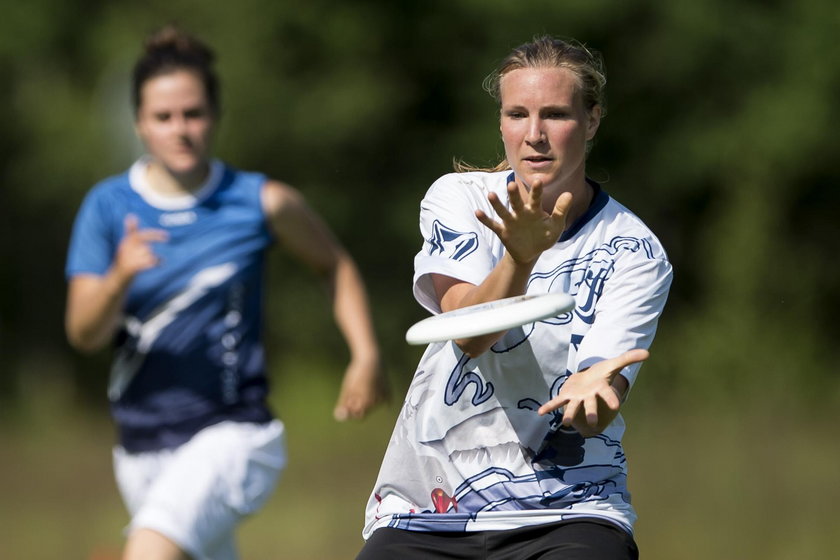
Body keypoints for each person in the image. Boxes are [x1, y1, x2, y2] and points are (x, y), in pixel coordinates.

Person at [64, 25, 385, 560]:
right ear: (140, 124)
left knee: (148, 552)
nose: (181, 129)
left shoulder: (259, 201)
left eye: (193, 113)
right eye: (164, 117)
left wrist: (366, 355)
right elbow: (83, 333)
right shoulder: (107, 207)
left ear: (214, 116)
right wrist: (118, 276)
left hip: (233, 435)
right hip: (140, 446)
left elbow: (335, 265)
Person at [357, 36, 672, 560]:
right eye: (517, 114)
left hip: (570, 510)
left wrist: (593, 399)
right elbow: (470, 333)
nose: (534, 135)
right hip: (428, 508)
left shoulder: (635, 251)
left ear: (592, 121)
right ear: (500, 123)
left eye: (555, 114)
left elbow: (594, 407)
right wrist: (520, 258)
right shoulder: (459, 199)